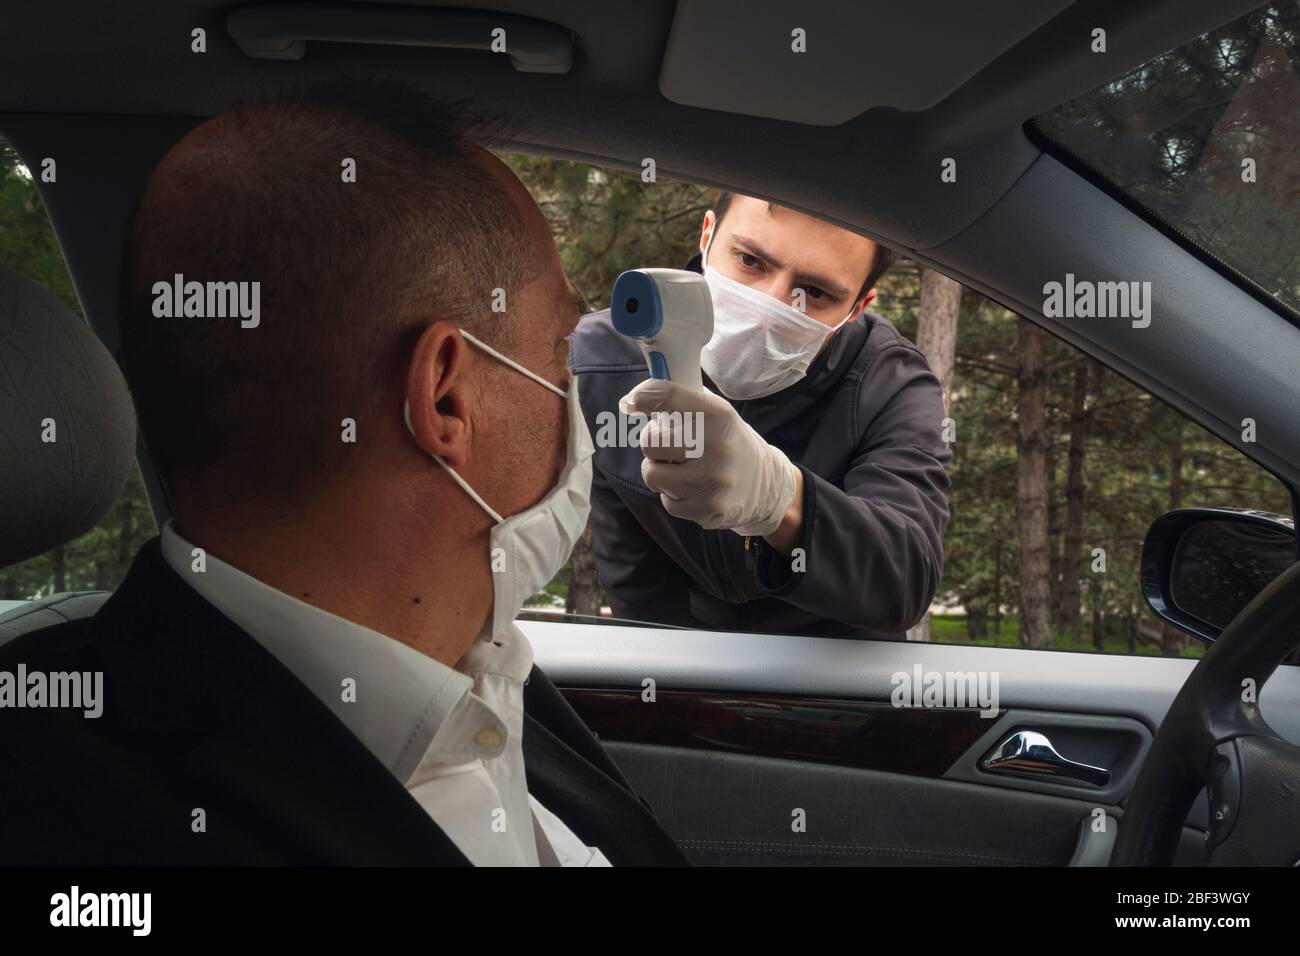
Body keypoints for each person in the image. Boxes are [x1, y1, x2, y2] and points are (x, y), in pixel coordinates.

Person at [0, 82, 687, 866]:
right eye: (559, 349)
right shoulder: (88, 826)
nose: (573, 390)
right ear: (446, 398)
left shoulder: (474, 658)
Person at [571, 194, 951, 638]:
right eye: (750, 260)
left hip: (837, 664)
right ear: (707, 236)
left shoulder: (891, 382)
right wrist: (662, 676)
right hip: (680, 655)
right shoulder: (602, 360)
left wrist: (780, 499)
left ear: (857, 308)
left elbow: (906, 575)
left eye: (815, 292)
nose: (767, 314)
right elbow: (635, 577)